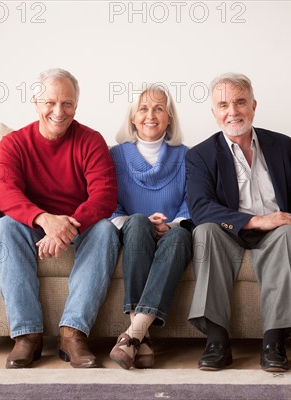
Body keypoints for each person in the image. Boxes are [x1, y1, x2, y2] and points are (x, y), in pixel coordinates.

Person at [185, 73, 291, 372]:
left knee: (289, 235)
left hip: (278, 231)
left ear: (253, 105)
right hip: (229, 231)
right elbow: (200, 207)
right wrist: (256, 220)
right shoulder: (200, 155)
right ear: (214, 113)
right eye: (224, 105)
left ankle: (274, 342)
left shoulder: (284, 146)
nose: (233, 111)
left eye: (240, 102)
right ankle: (217, 341)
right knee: (204, 232)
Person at [0, 68, 119, 369]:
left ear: (76, 105)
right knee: (4, 226)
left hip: (81, 227)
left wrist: (64, 227)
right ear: (35, 101)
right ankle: (27, 336)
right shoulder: (13, 144)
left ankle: (72, 333)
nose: (59, 111)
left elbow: (104, 196)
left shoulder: (90, 140)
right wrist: (44, 220)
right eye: (50, 102)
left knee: (105, 230)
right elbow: (7, 194)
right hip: (33, 226)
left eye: (68, 104)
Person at [108, 85, 192, 369]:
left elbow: (192, 202)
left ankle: (134, 336)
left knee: (181, 236)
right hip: (132, 234)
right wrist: (139, 221)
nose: (150, 115)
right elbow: (109, 204)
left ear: (169, 117)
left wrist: (172, 224)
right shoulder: (115, 156)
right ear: (133, 117)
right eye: (143, 108)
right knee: (139, 220)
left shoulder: (186, 156)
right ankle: (139, 335)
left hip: (173, 233)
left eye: (158, 108)